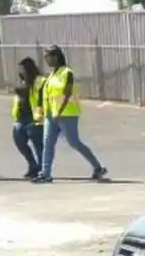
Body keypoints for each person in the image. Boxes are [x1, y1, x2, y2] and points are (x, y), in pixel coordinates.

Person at [36, 46, 108, 183]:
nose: (46, 60)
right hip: (51, 114)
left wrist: (59, 110)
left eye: (48, 57)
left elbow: (67, 93)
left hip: (67, 114)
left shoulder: (66, 72)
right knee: (47, 143)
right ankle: (45, 173)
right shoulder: (52, 75)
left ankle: (97, 167)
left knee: (74, 142)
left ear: (56, 57)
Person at [9, 57, 46, 179]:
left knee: (38, 145)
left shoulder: (40, 82)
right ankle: (32, 165)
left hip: (35, 117)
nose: (21, 72)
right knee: (19, 140)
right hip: (21, 117)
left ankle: (43, 169)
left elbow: (44, 100)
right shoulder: (21, 82)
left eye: (23, 70)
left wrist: (41, 118)